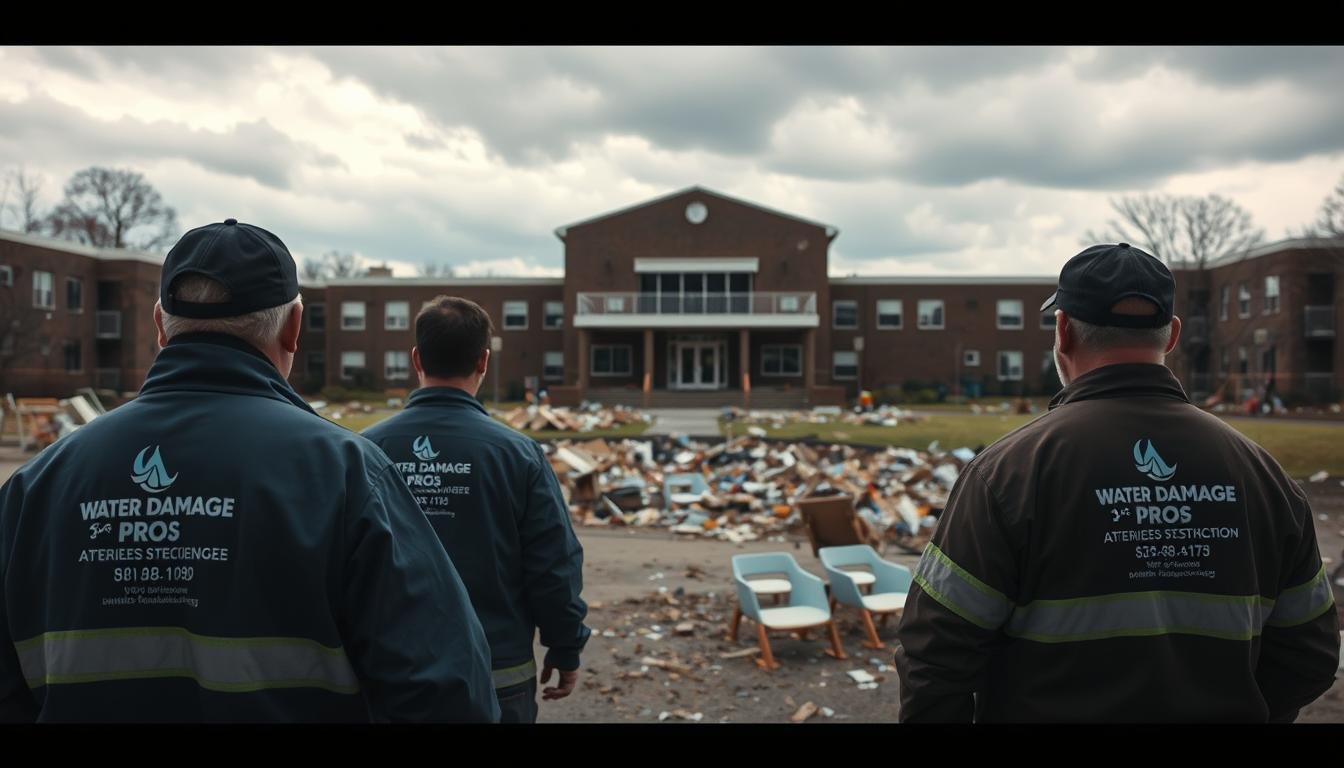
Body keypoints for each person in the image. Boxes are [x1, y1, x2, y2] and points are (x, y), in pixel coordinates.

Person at [0, 219, 499, 723]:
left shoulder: (38, 484)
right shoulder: (346, 474)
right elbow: (447, 691)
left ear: (159, 325)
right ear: (294, 327)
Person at [895, 243, 1340, 722]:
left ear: (1063, 331)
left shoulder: (1007, 474)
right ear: (1172, 335)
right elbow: (1310, 654)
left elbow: (934, 656)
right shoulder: (1263, 476)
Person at [363, 295, 589, 723]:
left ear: (416, 358)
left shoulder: (366, 450)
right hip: (496, 675)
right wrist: (565, 645)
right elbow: (553, 563)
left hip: (392, 673)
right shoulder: (517, 454)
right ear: (483, 361)